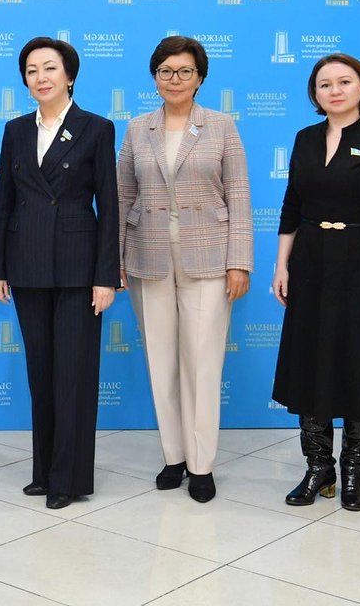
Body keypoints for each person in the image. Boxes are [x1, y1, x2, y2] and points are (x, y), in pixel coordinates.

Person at [272, 53, 360, 512]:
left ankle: (353, 470)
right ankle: (318, 467)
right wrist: (282, 266)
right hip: (310, 262)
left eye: (344, 82)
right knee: (311, 364)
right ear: (314, 94)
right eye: (324, 84)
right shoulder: (305, 140)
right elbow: (291, 207)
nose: (334, 90)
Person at [117, 35, 252, 504]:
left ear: (200, 78)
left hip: (209, 259)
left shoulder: (221, 126)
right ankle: (173, 456)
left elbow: (239, 197)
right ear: (154, 77)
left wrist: (239, 261)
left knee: (202, 362)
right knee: (161, 362)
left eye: (185, 71)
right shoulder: (137, 129)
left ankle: (201, 464)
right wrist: (115, 260)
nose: (175, 79)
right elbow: (122, 198)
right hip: (148, 258)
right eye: (165, 71)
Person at [0, 37, 118, 510]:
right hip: (26, 265)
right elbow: (3, 199)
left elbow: (110, 204)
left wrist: (107, 276)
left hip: (79, 269)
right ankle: (44, 471)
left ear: (70, 76)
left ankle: (70, 477)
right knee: (41, 374)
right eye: (31, 70)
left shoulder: (97, 128)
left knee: (74, 375)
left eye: (49, 68)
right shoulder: (16, 130)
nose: (40, 77)